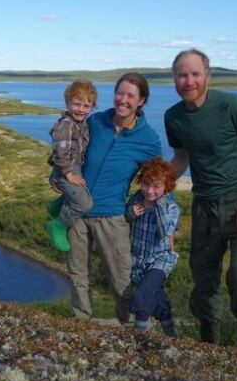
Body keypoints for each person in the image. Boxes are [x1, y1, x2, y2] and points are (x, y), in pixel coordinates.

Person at [165, 48, 237, 346]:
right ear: (174, 78)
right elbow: (181, 158)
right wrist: (155, 186)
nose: (189, 81)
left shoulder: (231, 105)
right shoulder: (174, 117)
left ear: (207, 76)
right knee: (203, 280)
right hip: (205, 208)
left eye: (195, 74)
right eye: (182, 75)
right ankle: (208, 348)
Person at [65, 72, 162, 324]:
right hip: (77, 213)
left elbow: (158, 181)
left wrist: (165, 223)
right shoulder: (95, 121)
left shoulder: (148, 139)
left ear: (142, 101)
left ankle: (132, 328)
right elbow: (68, 151)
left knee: (121, 279)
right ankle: (80, 323)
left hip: (112, 216)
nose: (123, 100)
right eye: (120, 93)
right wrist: (57, 178)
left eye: (131, 95)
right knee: (78, 275)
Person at [125, 157, 180, 336]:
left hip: (161, 259)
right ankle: (171, 333)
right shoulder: (136, 198)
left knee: (145, 290)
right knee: (156, 296)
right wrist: (130, 213)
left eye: (157, 187)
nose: (150, 191)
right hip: (138, 259)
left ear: (167, 187)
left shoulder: (171, 207)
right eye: (146, 184)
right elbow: (125, 219)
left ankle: (139, 331)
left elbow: (166, 232)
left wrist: (159, 207)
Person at [45, 80, 97, 252]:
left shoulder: (80, 124)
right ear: (68, 103)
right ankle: (58, 225)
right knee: (84, 204)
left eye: (86, 105)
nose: (81, 109)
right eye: (76, 104)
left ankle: (56, 206)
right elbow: (60, 152)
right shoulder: (65, 125)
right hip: (66, 170)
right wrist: (68, 175)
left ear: (92, 107)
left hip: (73, 167)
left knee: (79, 194)